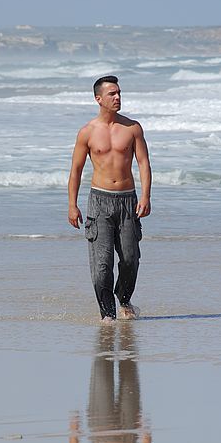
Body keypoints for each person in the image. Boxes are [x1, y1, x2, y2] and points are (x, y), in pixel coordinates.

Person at [68, 75, 152, 323]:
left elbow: (144, 164)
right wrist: (72, 205)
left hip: (128, 201)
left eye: (119, 93)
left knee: (130, 258)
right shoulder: (87, 132)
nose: (117, 98)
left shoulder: (132, 128)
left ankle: (124, 299)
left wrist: (146, 196)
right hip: (100, 202)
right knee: (102, 264)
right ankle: (108, 315)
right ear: (98, 99)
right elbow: (76, 170)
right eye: (112, 94)